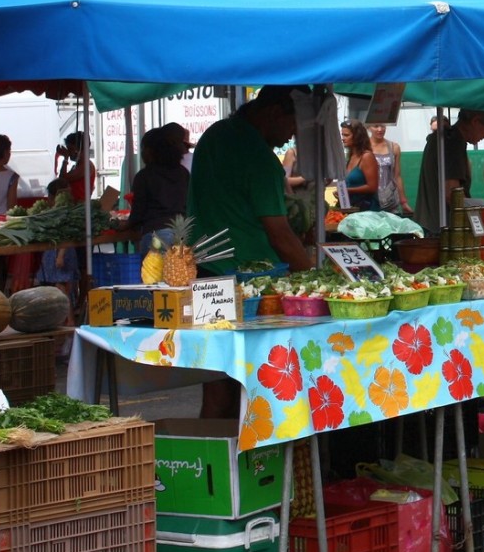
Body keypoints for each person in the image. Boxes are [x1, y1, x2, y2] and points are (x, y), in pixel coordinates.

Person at [188, 84, 314, 419]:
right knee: (262, 386)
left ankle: (213, 462)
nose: (291, 136)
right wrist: (315, 278)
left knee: (217, 385)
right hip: (255, 287)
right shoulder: (259, 156)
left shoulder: (214, 136)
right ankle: (255, 464)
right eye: (291, 125)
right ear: (274, 112)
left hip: (206, 277)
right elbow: (280, 234)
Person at [414, 108, 484, 236]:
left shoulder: (441, 137)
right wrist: (479, 216)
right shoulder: (452, 143)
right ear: (475, 121)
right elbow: (452, 194)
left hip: (430, 224)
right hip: (442, 228)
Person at [114, 126, 189, 257]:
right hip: (182, 235)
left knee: (154, 277)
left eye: (143, 149)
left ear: (150, 151)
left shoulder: (144, 176)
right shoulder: (183, 173)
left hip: (156, 235)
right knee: (181, 276)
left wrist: (125, 225)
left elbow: (138, 211)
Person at [35, 179, 79, 337]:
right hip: (57, 253)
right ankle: (65, 318)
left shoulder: (63, 214)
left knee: (62, 286)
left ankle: (70, 319)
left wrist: (60, 255)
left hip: (60, 254)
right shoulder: (61, 212)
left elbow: (65, 237)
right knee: (61, 286)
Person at [369, 123, 412, 214]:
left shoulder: (394, 147)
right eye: (376, 126)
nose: (380, 129)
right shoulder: (363, 147)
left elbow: (397, 176)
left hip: (390, 199)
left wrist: (403, 202)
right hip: (370, 199)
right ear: (368, 128)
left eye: (383, 126)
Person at [340, 120, 380, 211]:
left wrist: (347, 191)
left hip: (367, 212)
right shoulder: (350, 156)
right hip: (352, 209)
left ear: (357, 137)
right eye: (342, 135)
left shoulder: (366, 156)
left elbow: (372, 187)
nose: (343, 138)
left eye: (346, 135)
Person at [57, 131, 97, 202]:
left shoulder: (86, 166)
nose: (68, 152)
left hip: (80, 205)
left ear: (79, 149)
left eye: (71, 149)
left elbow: (63, 179)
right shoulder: (78, 165)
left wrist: (65, 158)